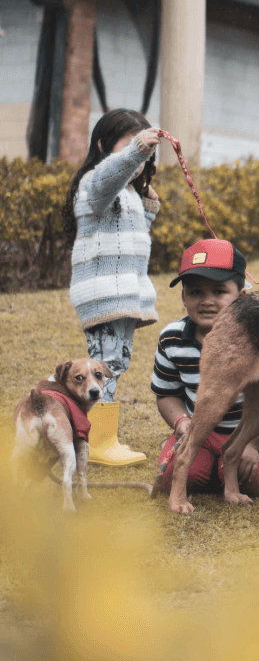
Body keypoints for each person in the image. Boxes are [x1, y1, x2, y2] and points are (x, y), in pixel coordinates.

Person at [151, 239, 259, 497]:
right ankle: (209, 464)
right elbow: (167, 393)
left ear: (241, 297)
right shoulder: (172, 338)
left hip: (254, 429)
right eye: (195, 292)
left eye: (219, 292)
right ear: (183, 297)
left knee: (258, 482)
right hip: (202, 431)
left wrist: (254, 444)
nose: (207, 301)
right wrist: (180, 421)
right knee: (173, 479)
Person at [61, 108, 161, 466]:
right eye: (128, 150)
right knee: (105, 366)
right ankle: (99, 441)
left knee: (115, 364)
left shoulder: (128, 191)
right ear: (103, 147)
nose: (136, 160)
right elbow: (109, 176)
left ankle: (97, 436)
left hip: (124, 295)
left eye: (145, 156)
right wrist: (136, 149)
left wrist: (147, 193)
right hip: (104, 294)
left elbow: (139, 225)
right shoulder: (95, 182)